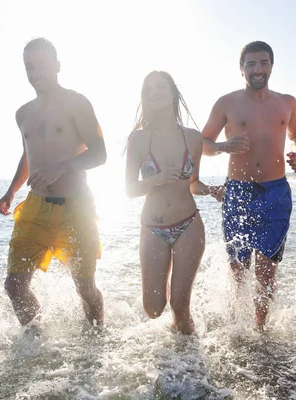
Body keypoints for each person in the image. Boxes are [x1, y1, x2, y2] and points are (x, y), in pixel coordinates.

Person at [0, 38, 106, 329]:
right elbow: (28, 155)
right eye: (29, 67)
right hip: (36, 208)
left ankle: (96, 338)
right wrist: (12, 190)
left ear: (57, 66)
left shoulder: (76, 102)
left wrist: (62, 167)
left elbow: (100, 153)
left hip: (77, 208)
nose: (36, 72)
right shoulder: (23, 114)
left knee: (85, 287)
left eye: (42, 65)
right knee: (14, 285)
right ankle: (36, 342)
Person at [202, 41, 296, 331]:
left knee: (266, 273)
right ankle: (238, 326)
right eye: (251, 64)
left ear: (272, 65)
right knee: (238, 270)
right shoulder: (227, 102)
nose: (257, 69)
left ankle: (259, 331)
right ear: (241, 69)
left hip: (276, 192)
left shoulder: (287, 102)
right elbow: (202, 143)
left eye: (263, 63)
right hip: (238, 192)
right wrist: (224, 145)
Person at [125, 71, 216, 334]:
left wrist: (211, 190)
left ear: (173, 92)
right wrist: (156, 180)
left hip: (188, 224)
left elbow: (193, 182)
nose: (155, 92)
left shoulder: (193, 137)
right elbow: (130, 189)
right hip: (152, 227)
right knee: (153, 309)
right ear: (145, 98)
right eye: (149, 89)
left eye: (161, 87)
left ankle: (188, 357)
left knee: (179, 304)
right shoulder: (139, 139)